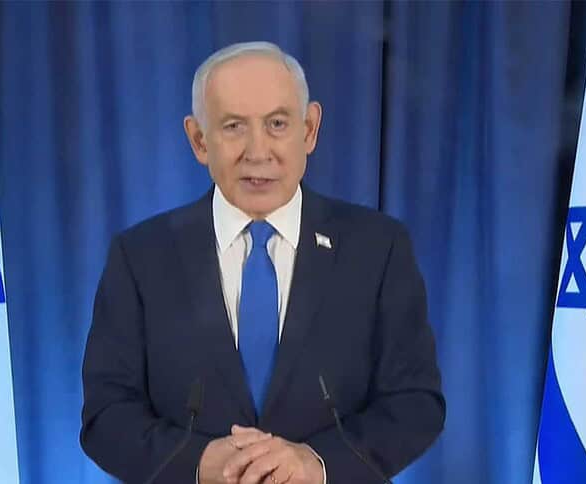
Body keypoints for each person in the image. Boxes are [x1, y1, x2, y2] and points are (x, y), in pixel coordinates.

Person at [81, 41, 445, 484]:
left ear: (309, 130)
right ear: (199, 140)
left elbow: (415, 403)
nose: (258, 151)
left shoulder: (378, 248)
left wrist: (318, 464)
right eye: (234, 126)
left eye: (277, 124)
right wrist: (199, 463)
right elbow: (106, 415)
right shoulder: (140, 257)